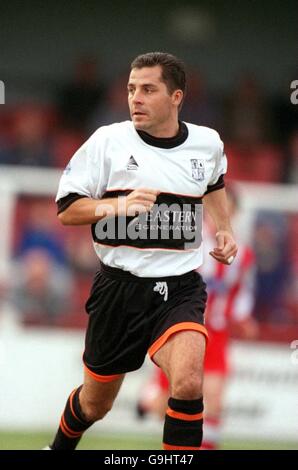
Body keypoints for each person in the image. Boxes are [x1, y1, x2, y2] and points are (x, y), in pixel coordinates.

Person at [44, 52, 237, 451]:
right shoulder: (107, 142)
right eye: (132, 89)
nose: (136, 98)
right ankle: (59, 447)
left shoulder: (207, 143)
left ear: (176, 96)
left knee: (187, 382)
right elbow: (66, 211)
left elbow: (214, 183)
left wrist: (225, 229)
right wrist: (117, 205)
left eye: (148, 89)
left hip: (179, 286)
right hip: (119, 289)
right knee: (95, 404)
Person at [136, 186, 258, 450]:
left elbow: (242, 292)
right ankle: (149, 397)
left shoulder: (243, 254)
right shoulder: (188, 240)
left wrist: (243, 316)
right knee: (167, 404)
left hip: (218, 333)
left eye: (227, 211)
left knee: (213, 401)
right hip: (184, 327)